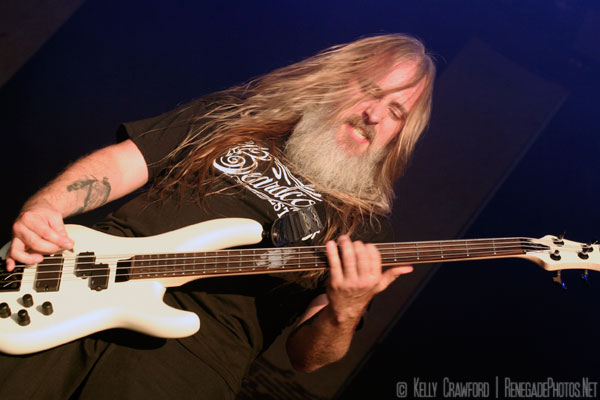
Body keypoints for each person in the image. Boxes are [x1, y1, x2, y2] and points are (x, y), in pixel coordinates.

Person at [0, 34, 435, 399]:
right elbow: (122, 164)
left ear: (402, 133)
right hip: (77, 281)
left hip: (190, 358)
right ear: (339, 80)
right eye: (370, 90)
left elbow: (306, 358)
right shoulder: (235, 116)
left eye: (396, 112)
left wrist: (344, 311)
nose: (374, 115)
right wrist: (45, 208)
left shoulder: (362, 225)